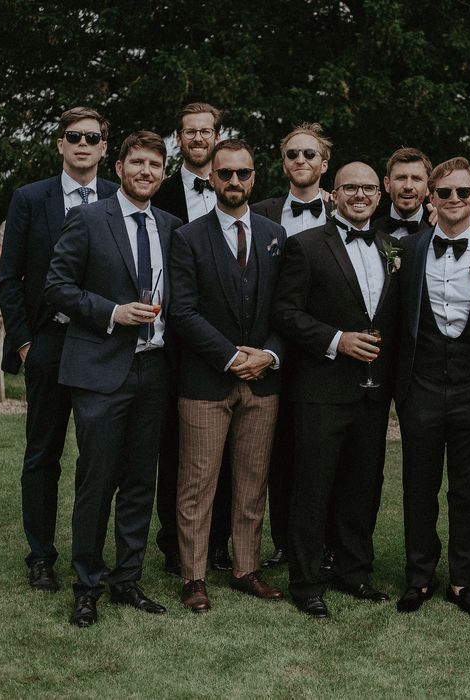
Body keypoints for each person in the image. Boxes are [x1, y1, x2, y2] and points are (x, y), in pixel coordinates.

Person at [44, 130, 180, 627]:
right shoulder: (85, 218)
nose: (146, 171)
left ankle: (127, 579)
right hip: (101, 368)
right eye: (137, 162)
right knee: (96, 481)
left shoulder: (171, 225)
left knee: (142, 480)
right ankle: (87, 584)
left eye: (155, 165)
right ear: (119, 167)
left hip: (155, 369)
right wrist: (113, 312)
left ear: (163, 174)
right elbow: (56, 287)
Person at [0, 106, 117, 592]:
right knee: (42, 453)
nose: (83, 143)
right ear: (60, 144)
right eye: (74, 136)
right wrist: (25, 342)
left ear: (105, 147)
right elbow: (11, 278)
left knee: (99, 456)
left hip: (101, 345)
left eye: (92, 137)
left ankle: (90, 553)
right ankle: (40, 555)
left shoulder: (116, 195)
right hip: (46, 342)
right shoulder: (30, 198)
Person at [272, 161, 399, 618]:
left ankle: (354, 572)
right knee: (313, 487)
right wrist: (336, 340)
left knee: (362, 485)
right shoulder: (305, 245)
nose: (360, 195)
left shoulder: (391, 246)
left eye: (368, 188)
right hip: (320, 388)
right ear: (334, 193)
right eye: (351, 188)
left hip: (371, 391)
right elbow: (285, 313)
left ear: (378, 195)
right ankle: (307, 582)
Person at [394, 157, 470, 616]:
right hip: (421, 384)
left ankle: (463, 580)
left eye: (461, 193)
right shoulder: (405, 251)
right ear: (431, 197)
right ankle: (419, 577)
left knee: (469, 486)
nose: (453, 200)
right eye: (443, 193)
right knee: (419, 484)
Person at [169, 139, 287, 612]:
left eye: (243, 173)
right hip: (205, 383)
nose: (234, 182)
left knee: (252, 483)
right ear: (212, 178)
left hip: (263, 383)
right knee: (197, 485)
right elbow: (182, 310)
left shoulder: (274, 234)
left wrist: (270, 355)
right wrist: (229, 356)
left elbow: (286, 309)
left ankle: (245, 569)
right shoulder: (187, 236)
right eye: (225, 174)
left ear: (254, 177)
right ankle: (193, 577)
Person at [151, 102, 231, 576]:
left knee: (225, 450)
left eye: (206, 131)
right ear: (177, 140)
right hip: (173, 342)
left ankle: (217, 544)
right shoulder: (157, 195)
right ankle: (173, 546)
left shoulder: (237, 189)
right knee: (175, 448)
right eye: (189, 132)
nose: (198, 139)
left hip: (228, 343)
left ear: (217, 136)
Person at [251, 122, 334, 569]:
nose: (300, 161)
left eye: (309, 154)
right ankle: (284, 541)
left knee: (325, 452)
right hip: (276, 349)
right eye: (292, 155)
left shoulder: (347, 210)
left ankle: (328, 542)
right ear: (283, 163)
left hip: (330, 351)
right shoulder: (261, 213)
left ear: (325, 163)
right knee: (279, 450)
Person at [374, 147, 434, 239]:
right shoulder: (370, 223)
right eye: (401, 178)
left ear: (428, 187)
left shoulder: (440, 227)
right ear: (387, 184)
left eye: (416, 179)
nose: (408, 186)